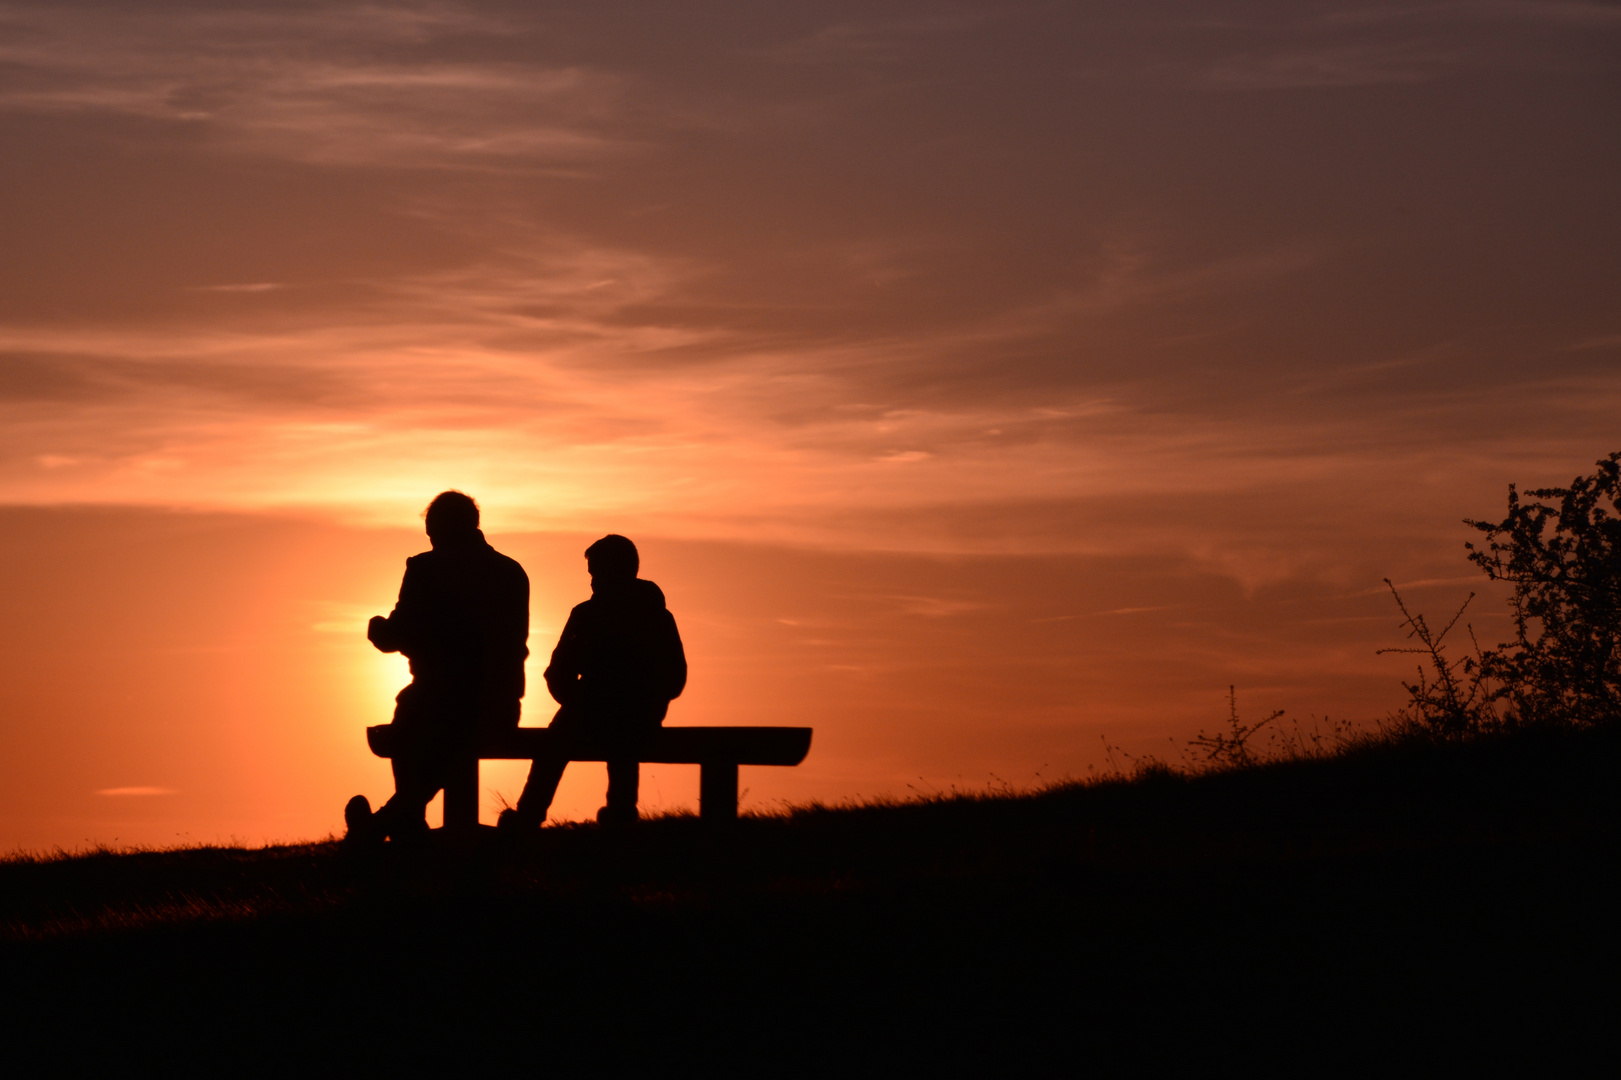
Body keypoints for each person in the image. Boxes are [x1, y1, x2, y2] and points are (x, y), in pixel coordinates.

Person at [345, 491, 529, 843]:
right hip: (501, 706)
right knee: (427, 726)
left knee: (408, 721)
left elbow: (400, 635)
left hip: (437, 703)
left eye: (431, 531)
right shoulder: (510, 571)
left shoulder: (426, 568)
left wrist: (376, 627)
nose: (430, 539)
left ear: (438, 528)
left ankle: (392, 825)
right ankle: (402, 821)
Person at [501, 534, 686, 830]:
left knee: (556, 746)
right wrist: (648, 703)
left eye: (595, 571)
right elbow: (675, 676)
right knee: (618, 747)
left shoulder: (588, 615)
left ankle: (527, 818)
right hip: (634, 715)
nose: (591, 579)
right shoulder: (656, 616)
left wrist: (579, 701)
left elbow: (557, 671)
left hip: (598, 714)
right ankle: (620, 818)